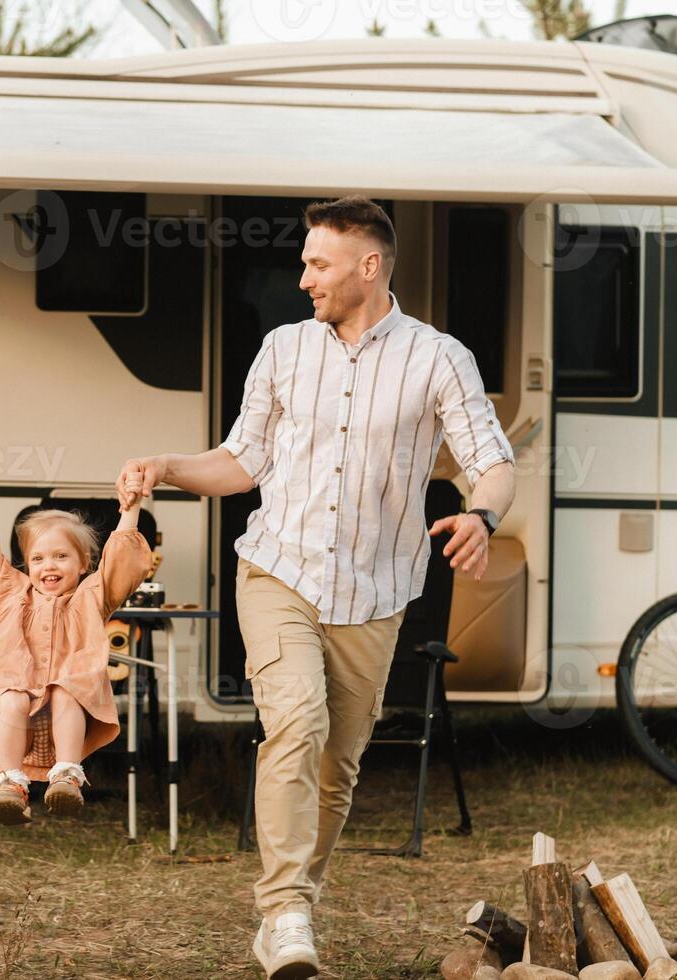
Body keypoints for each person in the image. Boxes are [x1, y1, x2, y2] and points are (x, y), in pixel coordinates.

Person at [118, 197, 516, 980]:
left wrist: (482, 516)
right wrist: (167, 466)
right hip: (278, 568)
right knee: (295, 723)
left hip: (376, 590)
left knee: (337, 768)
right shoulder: (282, 349)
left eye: (317, 264)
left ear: (369, 267)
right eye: (304, 262)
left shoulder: (439, 358)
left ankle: (295, 902)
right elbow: (241, 462)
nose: (302, 278)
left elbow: (494, 462)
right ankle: (286, 912)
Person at [0, 485, 152, 825]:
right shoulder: (11, 592)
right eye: (38, 558)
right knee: (10, 697)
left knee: (65, 690)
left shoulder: (92, 596)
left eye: (61, 556)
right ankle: (9, 785)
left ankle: (68, 776)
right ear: (26, 564)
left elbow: (119, 562)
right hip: (20, 705)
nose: (49, 565)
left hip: (70, 705)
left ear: (84, 563)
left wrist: (131, 509)